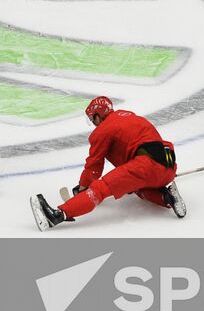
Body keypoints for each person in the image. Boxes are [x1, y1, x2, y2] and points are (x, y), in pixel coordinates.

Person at [30, 96, 184, 231]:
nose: (93, 122)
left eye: (92, 118)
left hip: (146, 165)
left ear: (98, 115)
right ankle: (167, 197)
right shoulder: (128, 116)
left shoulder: (103, 130)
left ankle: (56, 216)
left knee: (99, 189)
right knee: (137, 187)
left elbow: (94, 166)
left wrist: (84, 187)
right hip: (168, 164)